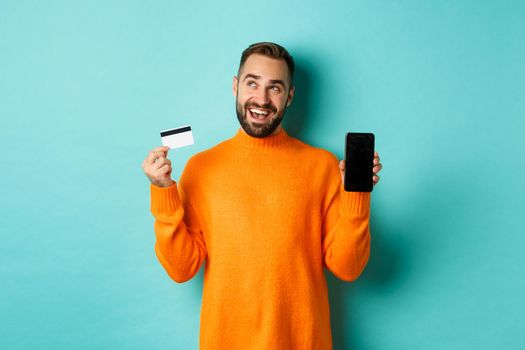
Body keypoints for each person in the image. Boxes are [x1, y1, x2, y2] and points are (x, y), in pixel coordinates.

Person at [142, 42, 382, 350]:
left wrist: (356, 194)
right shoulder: (202, 168)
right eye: (252, 83)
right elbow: (181, 268)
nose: (262, 99)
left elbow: (347, 268)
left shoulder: (322, 166)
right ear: (235, 86)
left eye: (275, 88)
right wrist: (164, 192)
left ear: (290, 97)